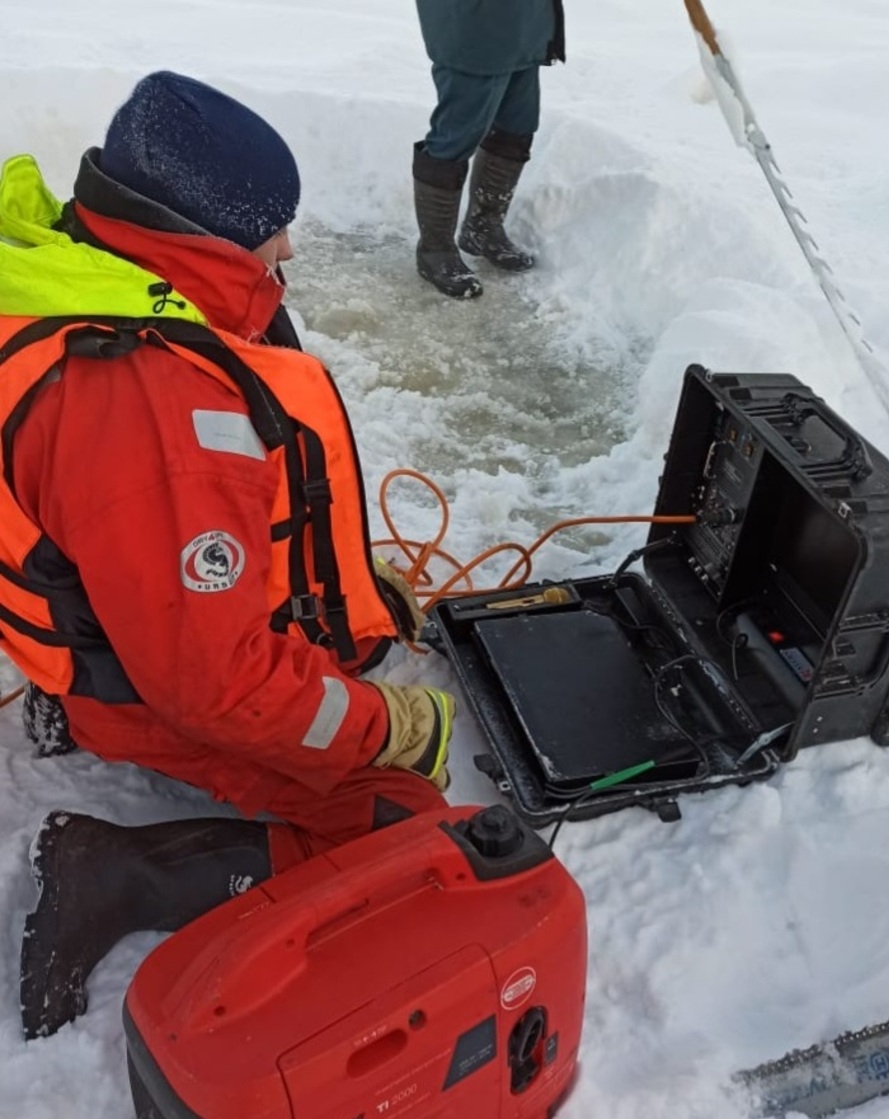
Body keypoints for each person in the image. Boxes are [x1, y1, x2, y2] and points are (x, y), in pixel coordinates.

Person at [0, 71, 458, 1041]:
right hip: (141, 686)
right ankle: (121, 871)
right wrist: (381, 727)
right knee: (413, 824)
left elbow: (166, 536)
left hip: (104, 618)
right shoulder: (146, 405)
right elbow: (214, 686)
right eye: (269, 231)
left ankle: (65, 708)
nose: (286, 249)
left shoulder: (65, 270)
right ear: (193, 237)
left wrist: (340, 586)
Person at [412, 0, 566, 299]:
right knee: (455, 137)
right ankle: (435, 250)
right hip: (474, 25)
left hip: (524, 25)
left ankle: (483, 228)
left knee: (516, 129)